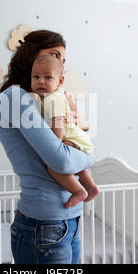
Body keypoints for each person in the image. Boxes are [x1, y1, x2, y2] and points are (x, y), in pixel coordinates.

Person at [0, 30, 94, 264]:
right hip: (44, 223)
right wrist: (90, 156)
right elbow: (61, 160)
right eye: (54, 54)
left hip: (69, 219)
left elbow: (71, 140)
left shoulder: (47, 100)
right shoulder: (15, 97)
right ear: (32, 55)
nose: (59, 63)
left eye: (62, 60)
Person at [30, 55, 98, 208]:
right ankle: (91, 186)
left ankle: (79, 190)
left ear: (60, 81)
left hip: (73, 139)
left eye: (48, 77)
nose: (41, 81)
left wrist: (54, 144)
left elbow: (58, 126)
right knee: (76, 166)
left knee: (53, 166)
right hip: (78, 140)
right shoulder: (48, 97)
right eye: (36, 77)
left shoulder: (53, 99)